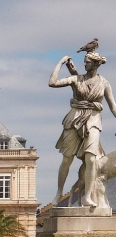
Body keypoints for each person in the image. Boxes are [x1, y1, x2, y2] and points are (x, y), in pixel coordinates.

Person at [50, 51, 116, 207]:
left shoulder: (104, 83)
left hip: (93, 119)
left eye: (87, 62)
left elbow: (113, 107)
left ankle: (88, 196)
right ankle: (59, 193)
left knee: (92, 159)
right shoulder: (76, 79)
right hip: (74, 119)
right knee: (67, 159)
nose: (84, 64)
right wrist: (60, 62)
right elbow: (52, 83)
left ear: (95, 64)